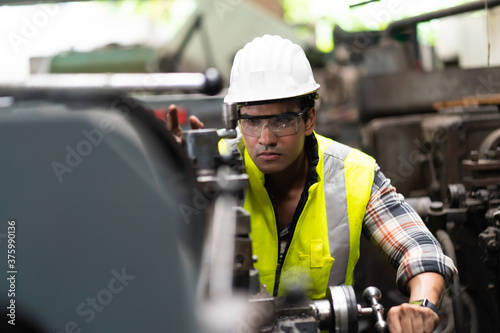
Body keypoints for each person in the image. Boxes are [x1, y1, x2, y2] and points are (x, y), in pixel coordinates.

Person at [167, 34, 457, 333]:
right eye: (252, 121)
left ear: (309, 120)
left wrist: (420, 307)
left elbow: (422, 249)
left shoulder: (352, 174)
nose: (265, 139)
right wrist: (169, 177)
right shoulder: (211, 169)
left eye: (282, 120)